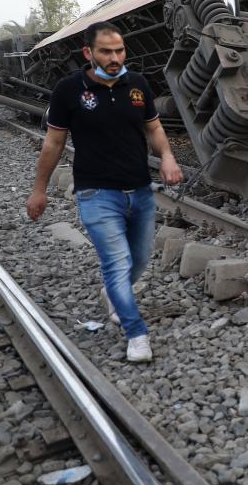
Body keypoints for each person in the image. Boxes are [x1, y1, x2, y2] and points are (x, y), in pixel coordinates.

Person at [26, 21, 183, 362]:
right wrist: (39, 190)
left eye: (119, 50)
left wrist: (167, 156)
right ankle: (136, 333)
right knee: (117, 263)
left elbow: (154, 128)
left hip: (140, 191)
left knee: (139, 260)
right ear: (89, 53)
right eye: (106, 51)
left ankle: (116, 293)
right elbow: (54, 143)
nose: (114, 58)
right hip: (96, 194)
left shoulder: (138, 85)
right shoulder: (69, 90)